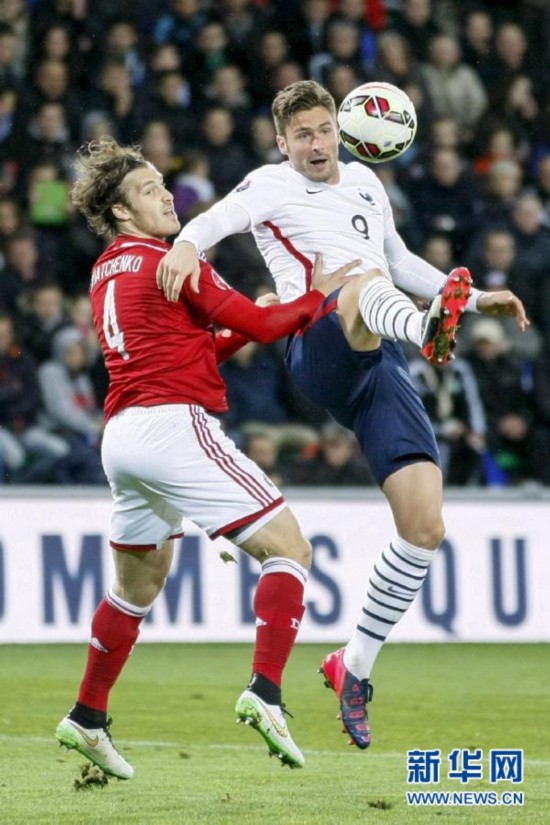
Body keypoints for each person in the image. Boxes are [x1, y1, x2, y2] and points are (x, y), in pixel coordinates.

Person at [156, 79, 528, 751]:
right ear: (282, 142)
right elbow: (213, 222)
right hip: (316, 342)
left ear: (340, 127)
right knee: (353, 284)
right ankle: (424, 332)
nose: (316, 143)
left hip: (377, 359)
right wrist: (185, 243)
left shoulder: (365, 185)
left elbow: (401, 261)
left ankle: (352, 665)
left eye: (324, 129)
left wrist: (473, 302)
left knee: (424, 527)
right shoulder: (270, 184)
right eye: (302, 134)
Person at [55, 136, 358, 778]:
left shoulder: (108, 269)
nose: (167, 194)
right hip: (173, 429)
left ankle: (86, 716)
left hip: (125, 439)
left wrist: (243, 329)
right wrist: (315, 297)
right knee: (291, 550)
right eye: (147, 190)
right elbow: (267, 327)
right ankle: (267, 692)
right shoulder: (174, 259)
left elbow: (182, 352)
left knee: (135, 589)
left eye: (164, 182)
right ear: (119, 211)